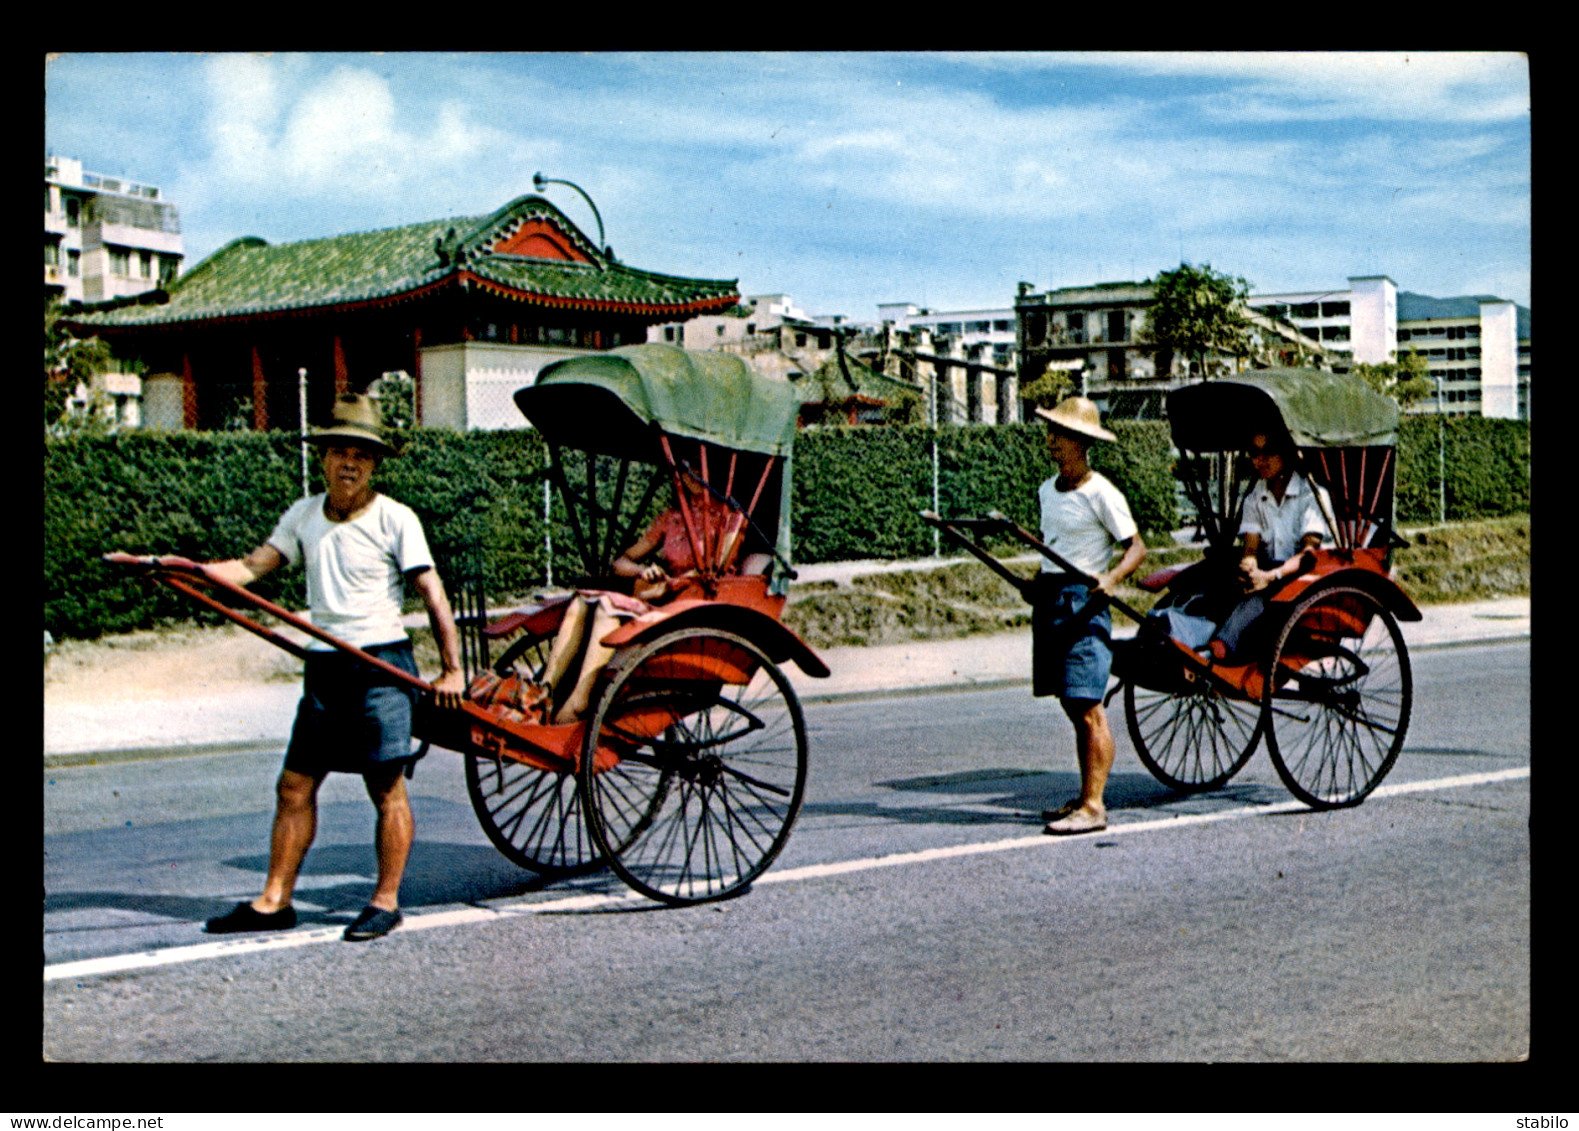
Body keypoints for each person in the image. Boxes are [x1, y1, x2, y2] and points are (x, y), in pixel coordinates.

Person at [200, 394, 466, 942]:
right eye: (339, 452)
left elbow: (433, 596)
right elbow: (251, 568)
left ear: (374, 465)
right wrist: (179, 569)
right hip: (325, 668)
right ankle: (275, 900)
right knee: (294, 785)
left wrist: (453, 669)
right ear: (322, 458)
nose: (349, 463)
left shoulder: (397, 519)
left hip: (380, 668)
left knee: (385, 788)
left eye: (361, 455)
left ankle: (385, 901)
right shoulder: (302, 515)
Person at [539, 469, 746, 724]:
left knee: (606, 608)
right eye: (683, 469)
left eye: (695, 466)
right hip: (661, 597)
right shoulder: (671, 518)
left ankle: (580, 698)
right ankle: (543, 691)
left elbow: (717, 568)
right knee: (580, 603)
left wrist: (671, 585)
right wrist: (644, 571)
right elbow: (621, 562)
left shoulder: (730, 517)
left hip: (695, 602)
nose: (688, 475)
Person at [1032, 397, 1147, 836]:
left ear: (1080, 443)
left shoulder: (1103, 492)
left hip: (1087, 601)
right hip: (1052, 598)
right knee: (1069, 701)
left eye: (1059, 436)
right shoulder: (1047, 490)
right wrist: (1035, 580)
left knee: (1087, 704)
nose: (1052, 442)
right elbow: (1053, 545)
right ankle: (1085, 794)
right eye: (1052, 434)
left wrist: (1113, 577)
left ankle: (1095, 806)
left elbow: (1136, 547)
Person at [1210, 429, 1333, 662]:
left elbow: (1309, 554)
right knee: (1219, 578)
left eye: (1269, 452)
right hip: (1270, 573)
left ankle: (1224, 643)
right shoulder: (1255, 498)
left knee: (1260, 596)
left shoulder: (1311, 495)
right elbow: (1250, 548)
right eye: (1255, 453)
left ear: (1285, 453)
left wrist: (1270, 576)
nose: (1261, 460)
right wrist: (1249, 568)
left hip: (1307, 576)